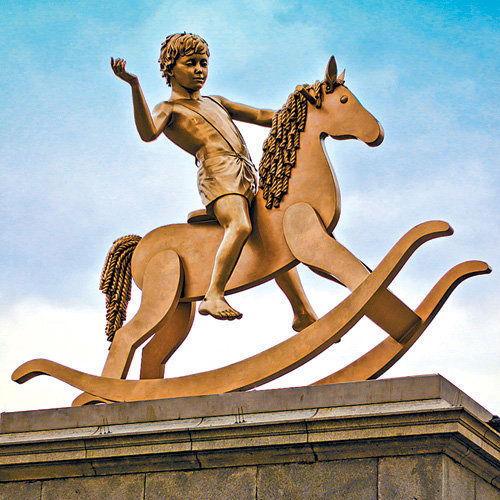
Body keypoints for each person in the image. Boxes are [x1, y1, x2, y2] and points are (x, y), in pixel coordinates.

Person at [111, 32, 317, 328]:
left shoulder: (216, 102)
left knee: (271, 235)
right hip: (217, 173)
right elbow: (147, 132)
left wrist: (302, 108)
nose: (199, 70)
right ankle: (214, 294)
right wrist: (134, 86)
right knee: (240, 225)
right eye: (190, 63)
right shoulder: (168, 109)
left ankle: (302, 311)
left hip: (247, 171)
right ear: (170, 69)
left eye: (203, 63)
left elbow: (262, 115)